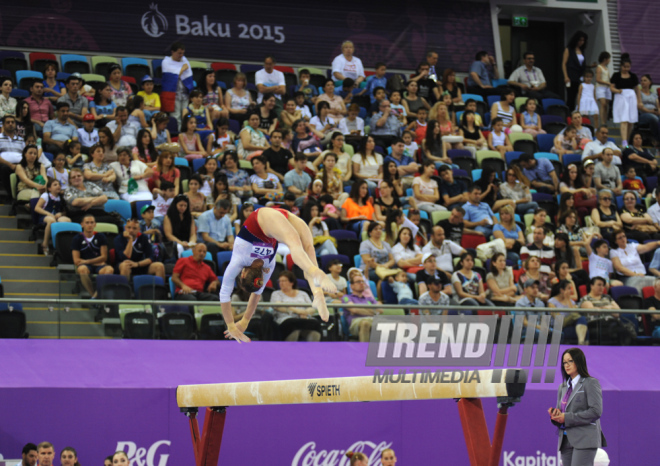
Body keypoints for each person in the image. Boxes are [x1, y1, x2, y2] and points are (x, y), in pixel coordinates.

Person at [219, 208, 338, 342]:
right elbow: (224, 294)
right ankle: (318, 294)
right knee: (304, 248)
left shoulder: (268, 265)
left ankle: (317, 279)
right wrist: (232, 325)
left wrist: (243, 322)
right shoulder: (239, 261)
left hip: (270, 221)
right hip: (273, 217)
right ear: (243, 274)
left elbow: (256, 296)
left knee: (303, 248)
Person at [549, 347, 606, 465]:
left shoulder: (590, 383)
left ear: (579, 361)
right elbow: (562, 413)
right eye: (564, 362)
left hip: (584, 438)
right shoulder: (562, 387)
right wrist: (556, 417)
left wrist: (566, 417)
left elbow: (596, 411)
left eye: (570, 361)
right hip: (565, 439)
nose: (567, 365)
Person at [271, 271, 322, 342]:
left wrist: (305, 312)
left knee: (315, 324)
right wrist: (298, 311)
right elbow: (279, 306)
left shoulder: (303, 294)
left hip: (304, 317)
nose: (281, 283)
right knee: (293, 325)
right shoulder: (276, 294)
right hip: (287, 319)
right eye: (280, 281)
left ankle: (313, 348)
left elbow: (311, 308)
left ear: (292, 282)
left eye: (284, 281)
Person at [71, 214, 114, 297]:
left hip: (93, 264)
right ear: (82, 224)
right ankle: (93, 295)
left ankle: (95, 296)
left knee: (109, 270)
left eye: (92, 222)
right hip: (86, 266)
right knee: (82, 269)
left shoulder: (101, 236)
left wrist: (87, 261)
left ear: (95, 224)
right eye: (87, 223)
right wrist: (96, 261)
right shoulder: (77, 238)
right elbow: (76, 261)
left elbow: (104, 257)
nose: (90, 225)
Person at [161, 42, 194, 126]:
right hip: (174, 94)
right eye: (179, 53)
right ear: (172, 52)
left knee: (186, 117)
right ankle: (177, 135)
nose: (181, 55)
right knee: (176, 117)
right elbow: (172, 78)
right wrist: (182, 69)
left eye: (182, 53)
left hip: (185, 93)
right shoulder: (166, 62)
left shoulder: (185, 60)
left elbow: (188, 77)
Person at [610, 54, 639, 147]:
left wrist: (639, 101)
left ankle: (627, 138)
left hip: (631, 97)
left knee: (631, 120)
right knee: (624, 119)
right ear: (621, 66)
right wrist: (618, 91)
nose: (626, 69)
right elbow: (612, 88)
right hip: (621, 97)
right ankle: (624, 141)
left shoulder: (633, 76)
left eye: (628, 67)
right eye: (624, 67)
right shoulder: (616, 75)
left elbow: (637, 89)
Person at [342, 272, 380, 342]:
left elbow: (380, 310)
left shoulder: (369, 298)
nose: (361, 283)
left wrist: (360, 310)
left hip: (373, 320)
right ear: (352, 286)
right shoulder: (346, 297)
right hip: (356, 322)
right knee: (365, 323)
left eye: (363, 281)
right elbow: (354, 310)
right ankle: (364, 351)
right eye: (358, 282)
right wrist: (372, 311)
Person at [197, 199, 234, 263]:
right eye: (221, 213)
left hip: (222, 242)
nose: (222, 215)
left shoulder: (226, 219)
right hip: (208, 242)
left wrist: (231, 244)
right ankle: (215, 269)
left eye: (224, 213)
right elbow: (205, 237)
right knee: (213, 246)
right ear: (215, 208)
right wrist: (219, 244)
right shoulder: (204, 216)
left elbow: (230, 236)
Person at [562, 31, 591, 110]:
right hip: (571, 76)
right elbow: (564, 63)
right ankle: (569, 114)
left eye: (583, 41)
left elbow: (581, 64)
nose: (581, 42)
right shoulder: (569, 50)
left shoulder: (582, 51)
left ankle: (578, 112)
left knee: (580, 96)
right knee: (571, 97)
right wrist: (566, 76)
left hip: (579, 76)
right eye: (580, 40)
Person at [637, 74, 660, 147]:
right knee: (653, 118)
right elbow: (639, 107)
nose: (642, 82)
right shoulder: (639, 93)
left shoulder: (654, 95)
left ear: (650, 82)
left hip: (655, 113)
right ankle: (657, 139)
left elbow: (658, 106)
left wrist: (658, 111)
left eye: (645, 80)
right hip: (643, 115)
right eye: (641, 80)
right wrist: (651, 111)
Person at [595, 52, 612, 128]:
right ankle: (602, 122)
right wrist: (607, 83)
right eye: (609, 59)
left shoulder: (607, 68)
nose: (609, 60)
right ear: (605, 59)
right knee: (603, 104)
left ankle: (605, 121)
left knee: (606, 106)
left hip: (607, 88)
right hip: (600, 87)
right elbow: (598, 79)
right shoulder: (599, 67)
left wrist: (610, 84)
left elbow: (608, 78)